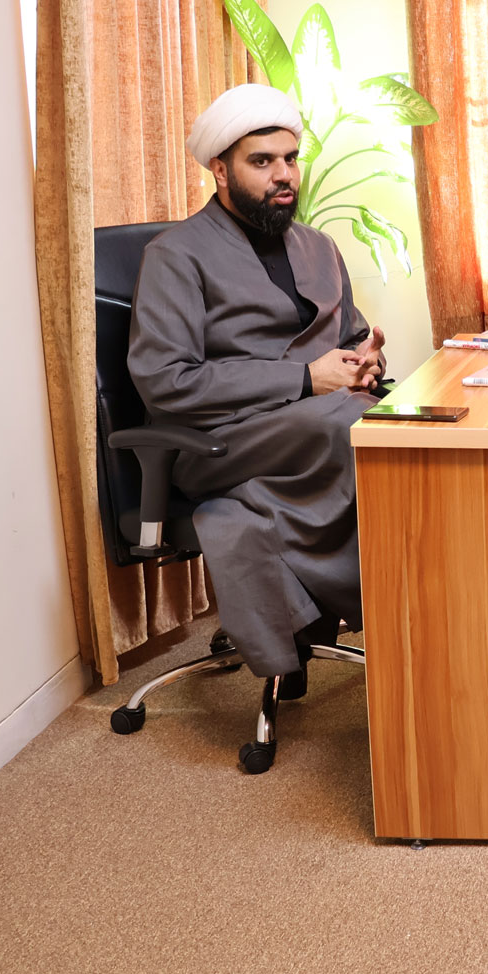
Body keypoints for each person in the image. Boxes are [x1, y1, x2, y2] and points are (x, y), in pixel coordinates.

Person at [128, 84, 385, 693]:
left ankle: (358, 602)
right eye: (261, 161)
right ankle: (386, 601)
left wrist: (365, 363)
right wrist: (305, 378)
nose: (283, 174)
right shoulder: (175, 256)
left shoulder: (318, 246)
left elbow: (350, 335)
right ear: (221, 170)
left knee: (398, 423)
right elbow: (166, 381)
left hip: (311, 429)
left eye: (290, 159)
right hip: (219, 441)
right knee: (356, 426)